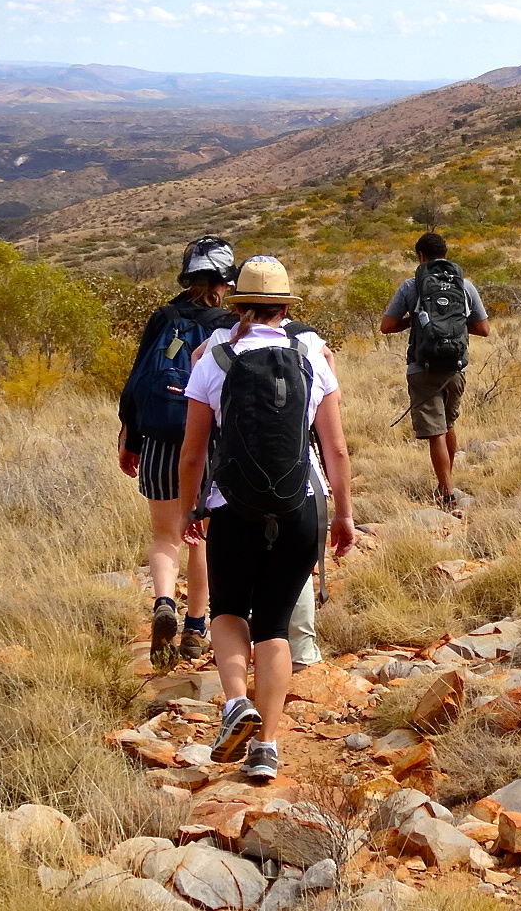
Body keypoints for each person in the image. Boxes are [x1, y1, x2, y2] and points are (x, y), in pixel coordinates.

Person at [177, 256, 354, 781]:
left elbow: (192, 451)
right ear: (284, 308)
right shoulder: (312, 359)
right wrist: (342, 514)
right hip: (301, 506)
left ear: (239, 307)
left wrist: (193, 506)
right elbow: (337, 448)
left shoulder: (213, 359)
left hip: (234, 507)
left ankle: (236, 703)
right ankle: (267, 748)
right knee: (275, 626)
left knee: (228, 611)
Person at [118, 236, 238, 668]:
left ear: (187, 275)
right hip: (208, 447)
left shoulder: (164, 316)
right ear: (227, 279)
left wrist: (129, 439)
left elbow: (136, 381)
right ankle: (194, 627)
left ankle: (164, 600)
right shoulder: (230, 323)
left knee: (164, 536)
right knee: (200, 538)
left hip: (158, 440)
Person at [379, 232, 490, 506]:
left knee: (436, 431)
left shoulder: (410, 286)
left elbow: (387, 326)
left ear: (420, 256)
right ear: (446, 253)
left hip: (422, 366)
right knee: (448, 425)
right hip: (455, 366)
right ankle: (446, 484)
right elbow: (483, 329)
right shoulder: (465, 286)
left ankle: (447, 490)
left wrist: (416, 321)